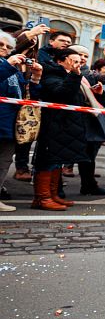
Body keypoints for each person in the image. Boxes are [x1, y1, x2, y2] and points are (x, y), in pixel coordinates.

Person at [31, 48, 91, 210]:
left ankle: (53, 195)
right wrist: (75, 75)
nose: (77, 64)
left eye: (79, 61)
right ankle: (42, 198)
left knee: (57, 161)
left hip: (66, 125)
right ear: (60, 61)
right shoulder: (51, 75)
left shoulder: (70, 75)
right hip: (54, 124)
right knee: (47, 161)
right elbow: (62, 94)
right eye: (73, 60)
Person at [67, 45, 105, 196]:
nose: (82, 58)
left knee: (89, 155)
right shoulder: (61, 71)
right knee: (63, 153)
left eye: (85, 56)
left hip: (88, 119)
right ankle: (55, 189)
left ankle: (89, 185)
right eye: (79, 54)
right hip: (67, 119)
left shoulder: (89, 74)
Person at [0, 34, 41, 211]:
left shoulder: (13, 68)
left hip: (10, 125)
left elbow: (27, 96)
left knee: (3, 163)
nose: (5, 48)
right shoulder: (9, 65)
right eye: (1, 44)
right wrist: (8, 65)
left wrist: (36, 78)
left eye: (8, 47)